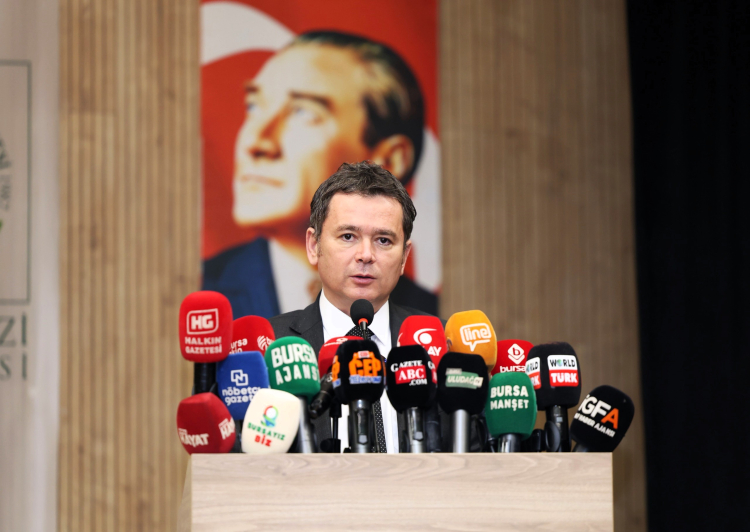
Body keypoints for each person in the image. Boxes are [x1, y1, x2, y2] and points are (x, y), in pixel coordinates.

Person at [202, 30, 438, 319]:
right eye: (254, 106)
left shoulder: (431, 322)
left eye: (303, 113)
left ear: (387, 160)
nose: (256, 143)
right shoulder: (203, 297)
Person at [269, 161, 437, 453]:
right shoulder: (269, 346)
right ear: (314, 246)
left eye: (383, 240)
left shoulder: (441, 346)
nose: (366, 255)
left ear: (404, 257)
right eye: (348, 236)